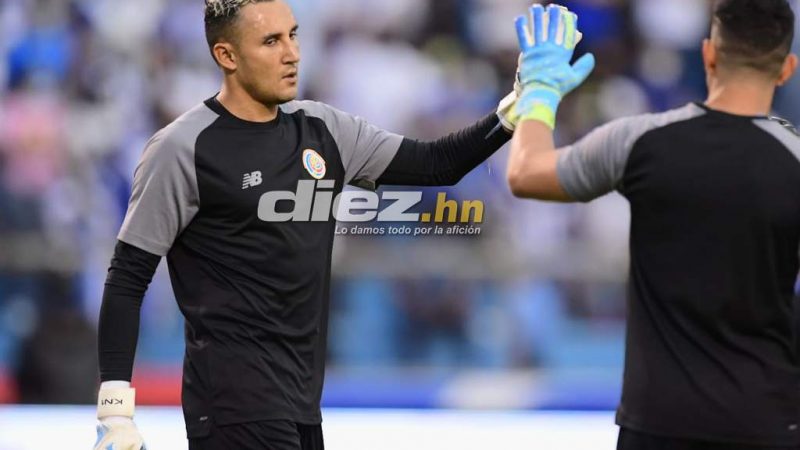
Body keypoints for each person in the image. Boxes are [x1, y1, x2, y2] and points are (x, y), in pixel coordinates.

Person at [92, 0, 526, 449]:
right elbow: (128, 277)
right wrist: (115, 410)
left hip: (302, 404)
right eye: (271, 41)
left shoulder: (324, 130)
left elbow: (437, 165)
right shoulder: (182, 148)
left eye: (294, 35)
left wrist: (513, 110)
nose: (292, 53)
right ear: (227, 56)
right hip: (231, 406)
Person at [507, 1, 800, 449]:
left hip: (657, 425)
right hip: (766, 422)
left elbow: (526, 173)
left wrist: (540, 90)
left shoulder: (639, 141)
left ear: (709, 55)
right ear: (787, 69)